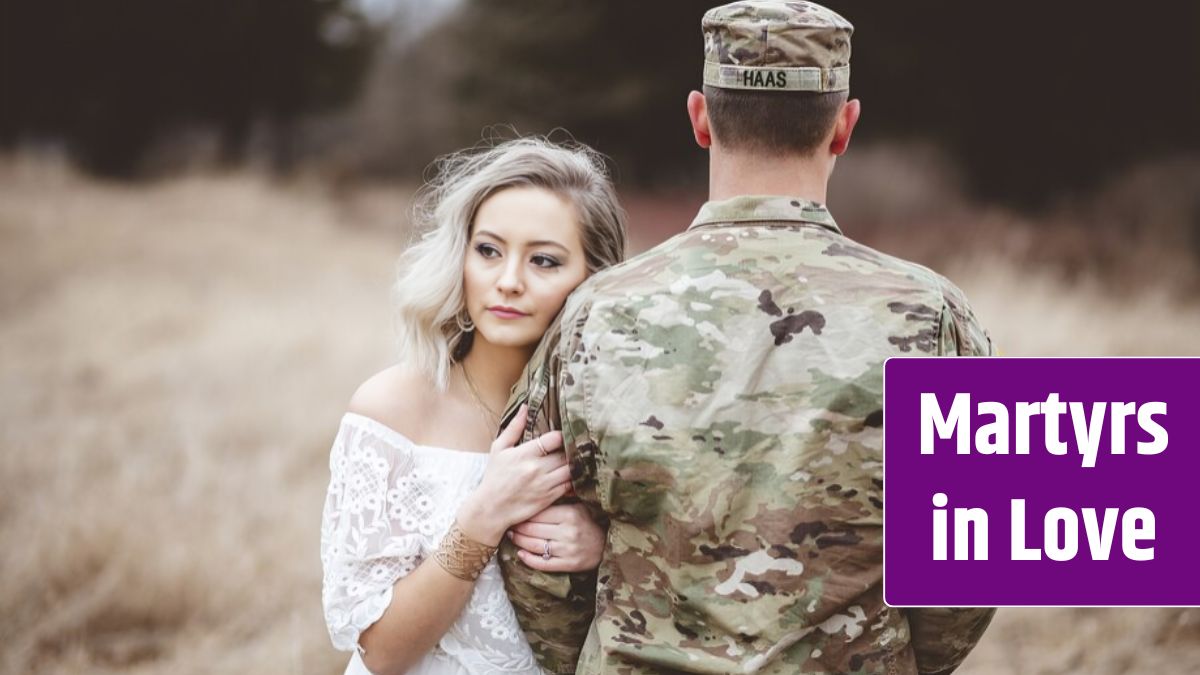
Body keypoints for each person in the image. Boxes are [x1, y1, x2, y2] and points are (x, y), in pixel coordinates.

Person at [495, 2, 997, 674]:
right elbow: (973, 561)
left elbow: (532, 537)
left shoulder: (594, 312)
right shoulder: (934, 315)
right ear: (844, 127)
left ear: (700, 118)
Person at [320, 137, 628, 675]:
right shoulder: (391, 410)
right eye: (488, 250)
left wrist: (610, 551)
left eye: (544, 260)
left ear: (593, 278)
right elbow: (382, 654)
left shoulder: (623, 418)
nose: (508, 281)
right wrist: (483, 518)